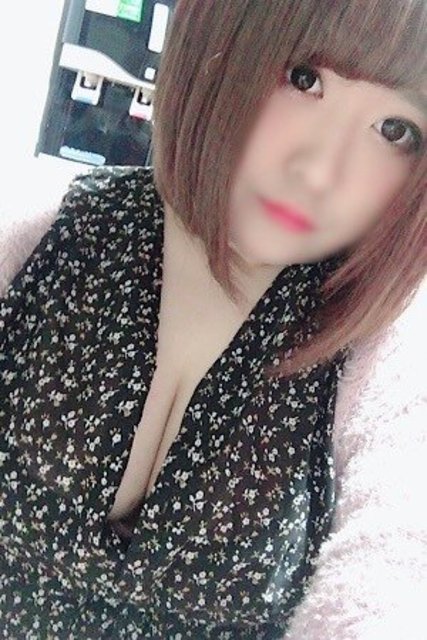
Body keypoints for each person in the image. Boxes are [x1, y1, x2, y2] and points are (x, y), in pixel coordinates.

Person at [0, 1, 426, 638]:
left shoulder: (383, 357)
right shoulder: (43, 235)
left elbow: (394, 566)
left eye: (395, 130)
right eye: (304, 79)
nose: (319, 172)